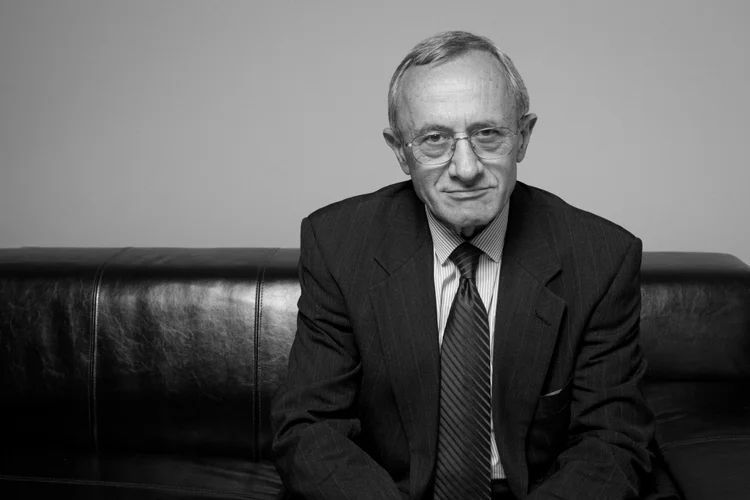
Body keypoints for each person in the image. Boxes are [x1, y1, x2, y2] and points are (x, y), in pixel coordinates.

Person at [272, 31, 673, 499]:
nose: (466, 168)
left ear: (522, 137)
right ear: (400, 151)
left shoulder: (601, 257)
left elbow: (612, 441)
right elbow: (310, 426)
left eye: (488, 134)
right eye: (434, 139)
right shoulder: (339, 245)